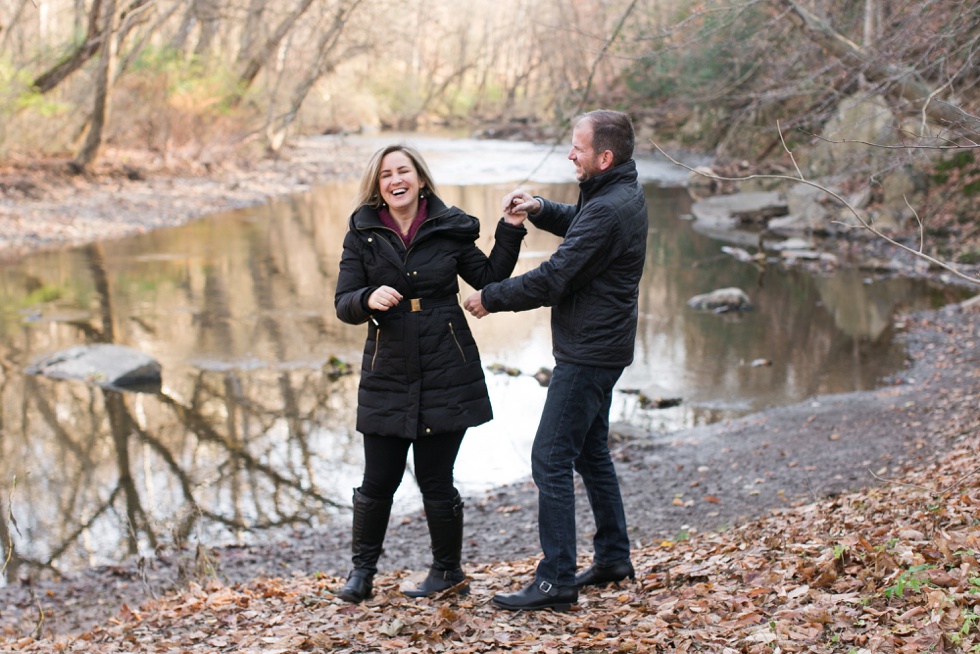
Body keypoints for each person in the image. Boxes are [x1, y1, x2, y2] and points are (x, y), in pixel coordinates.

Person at [463, 110, 647, 611]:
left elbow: (554, 278)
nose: (570, 154)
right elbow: (582, 226)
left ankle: (556, 581)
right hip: (603, 346)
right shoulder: (618, 191)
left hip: (589, 353)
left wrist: (491, 297)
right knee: (591, 454)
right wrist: (541, 208)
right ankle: (612, 557)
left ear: (603, 157)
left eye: (577, 148)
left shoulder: (610, 207)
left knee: (550, 458)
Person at [333, 144, 527, 603]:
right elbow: (344, 303)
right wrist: (366, 299)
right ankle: (362, 573)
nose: (395, 180)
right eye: (385, 175)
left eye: (403, 170)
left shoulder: (451, 226)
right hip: (387, 366)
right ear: (377, 185)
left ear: (419, 177)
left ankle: (447, 572)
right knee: (379, 478)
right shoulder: (361, 233)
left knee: (436, 478)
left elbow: (487, 278)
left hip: (446, 361)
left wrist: (512, 229)